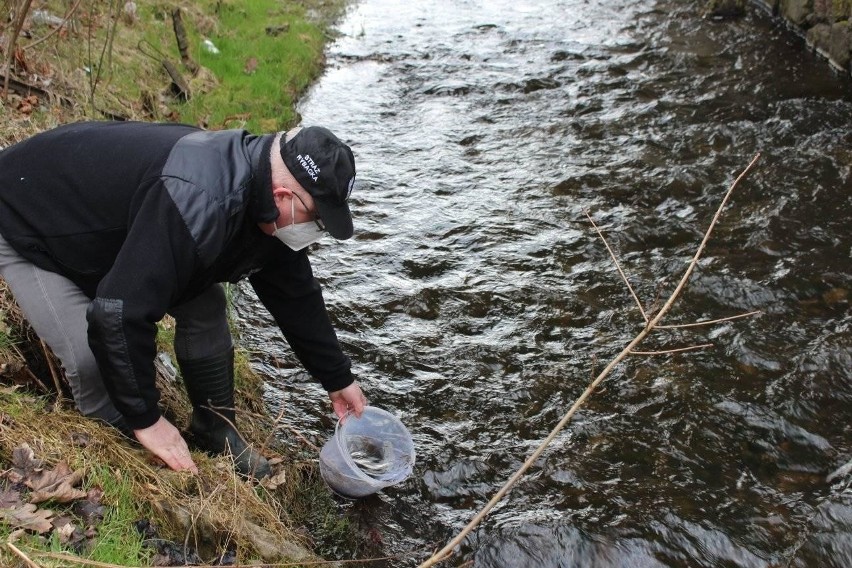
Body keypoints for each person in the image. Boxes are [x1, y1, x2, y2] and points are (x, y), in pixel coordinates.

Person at [0, 121, 367, 478]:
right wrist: (145, 419)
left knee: (206, 307)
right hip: (27, 218)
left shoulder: (266, 198)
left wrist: (336, 376)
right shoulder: (198, 198)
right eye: (316, 219)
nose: (315, 233)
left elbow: (295, 294)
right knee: (89, 354)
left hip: (108, 223)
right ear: (284, 196)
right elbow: (116, 314)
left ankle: (214, 428)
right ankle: (116, 440)